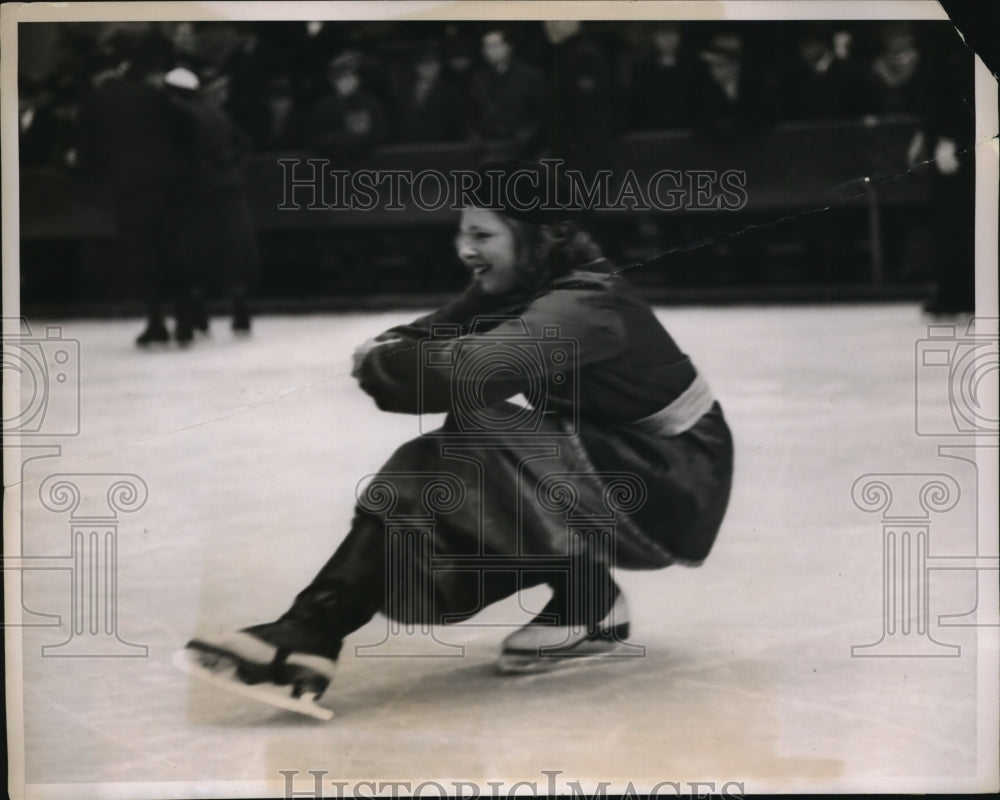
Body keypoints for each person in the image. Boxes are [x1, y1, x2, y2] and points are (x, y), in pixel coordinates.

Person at [179, 162, 734, 716]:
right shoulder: (526, 282)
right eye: (462, 232)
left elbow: (464, 372)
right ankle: (585, 601)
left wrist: (382, 360)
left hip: (676, 477)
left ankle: (313, 628)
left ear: (538, 237)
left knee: (478, 437)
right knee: (468, 460)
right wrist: (394, 347)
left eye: (482, 234)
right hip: (616, 459)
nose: (465, 248)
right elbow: (440, 331)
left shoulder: (586, 304)